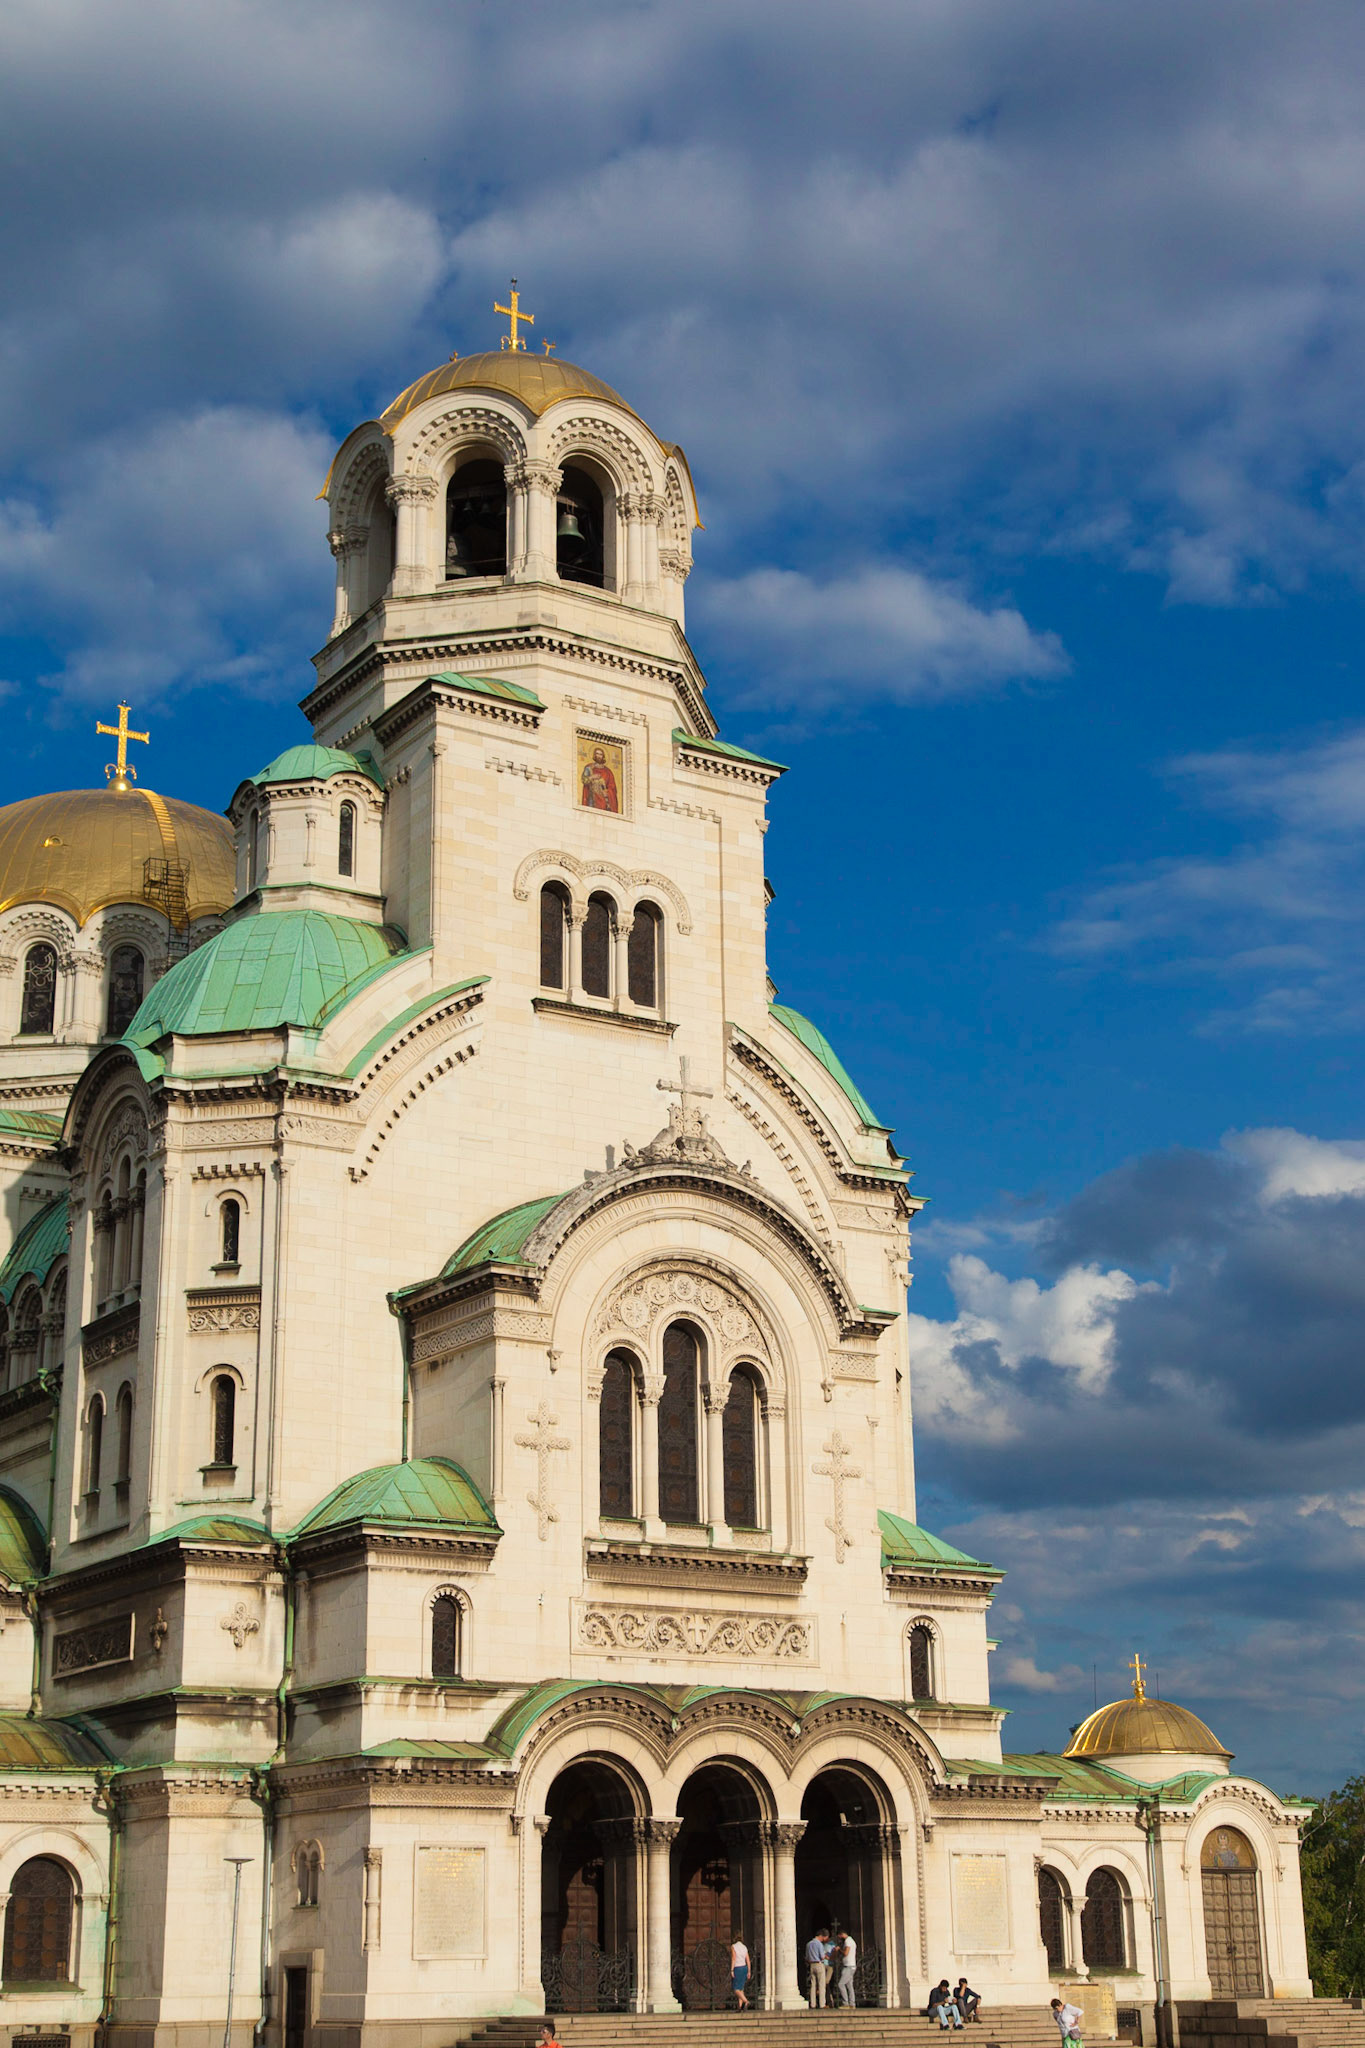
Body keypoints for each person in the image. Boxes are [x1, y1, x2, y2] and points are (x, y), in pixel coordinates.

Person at [806, 1929, 832, 2008]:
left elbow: (807, 1957)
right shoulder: (819, 1944)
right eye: (825, 1938)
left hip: (811, 1965)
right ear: (822, 1936)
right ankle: (822, 2004)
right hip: (819, 1964)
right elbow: (822, 1956)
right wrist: (827, 1957)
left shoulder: (809, 1944)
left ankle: (813, 2004)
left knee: (813, 1985)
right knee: (821, 1985)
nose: (824, 1940)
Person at [836, 1932, 857, 2007]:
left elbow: (846, 1953)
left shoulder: (848, 1941)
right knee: (849, 1985)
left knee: (841, 1984)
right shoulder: (852, 1941)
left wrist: (839, 1949)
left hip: (848, 1966)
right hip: (852, 1965)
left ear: (841, 1934)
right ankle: (852, 2003)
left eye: (839, 1936)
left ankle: (845, 2003)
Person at [731, 1933, 751, 2011]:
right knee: (741, 1988)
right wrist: (749, 1971)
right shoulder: (744, 1947)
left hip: (737, 1967)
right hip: (744, 1967)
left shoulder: (733, 1946)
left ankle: (746, 2001)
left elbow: (733, 1958)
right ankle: (739, 2007)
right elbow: (748, 1960)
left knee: (736, 1988)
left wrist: (732, 1970)